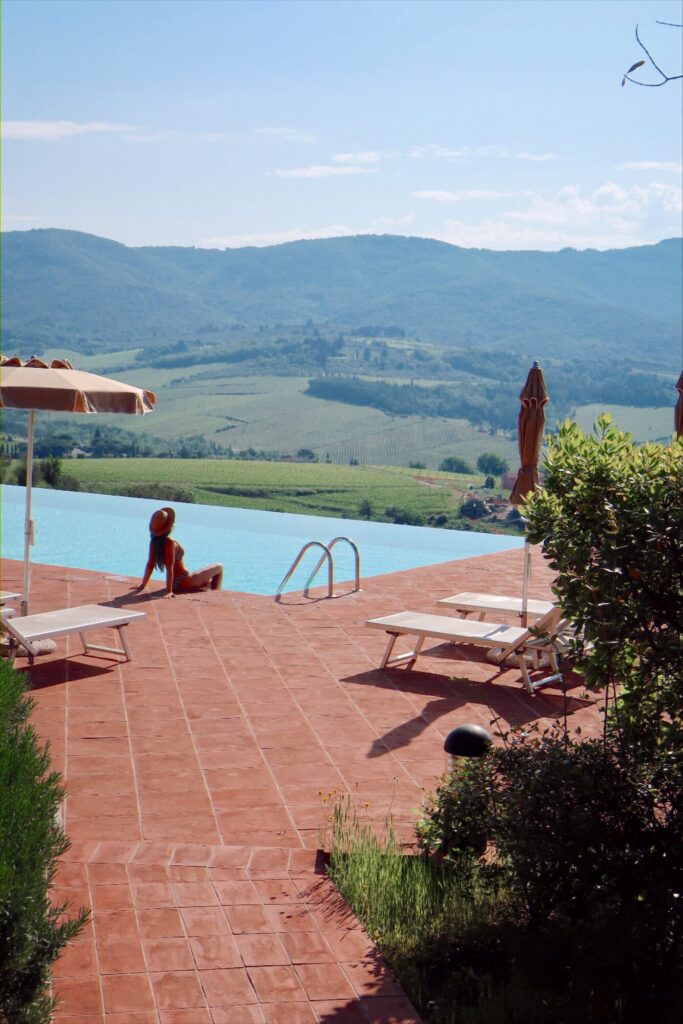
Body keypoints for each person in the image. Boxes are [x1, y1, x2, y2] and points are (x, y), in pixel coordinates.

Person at [132, 507, 223, 598]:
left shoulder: (154, 543)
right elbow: (169, 567)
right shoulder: (170, 543)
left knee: (208, 583)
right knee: (219, 566)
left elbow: (150, 564)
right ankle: (217, 595)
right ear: (169, 527)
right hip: (185, 580)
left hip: (176, 583)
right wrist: (169, 591)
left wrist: (143, 585)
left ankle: (212, 591)